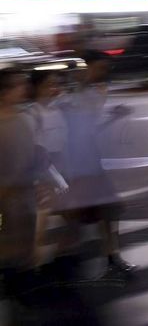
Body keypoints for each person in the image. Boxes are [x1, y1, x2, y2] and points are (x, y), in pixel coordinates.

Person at [55, 51, 136, 279]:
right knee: (76, 220)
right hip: (74, 168)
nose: (103, 73)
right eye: (100, 68)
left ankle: (111, 258)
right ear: (87, 67)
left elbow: (90, 130)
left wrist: (113, 116)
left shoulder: (96, 92)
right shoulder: (68, 93)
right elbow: (64, 124)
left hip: (91, 165)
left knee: (108, 212)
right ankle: (49, 267)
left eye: (105, 69)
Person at [26, 70, 70, 268]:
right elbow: (37, 151)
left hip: (59, 167)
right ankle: (33, 264)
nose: (55, 89)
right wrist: (56, 177)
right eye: (50, 85)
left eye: (57, 84)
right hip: (44, 171)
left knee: (69, 216)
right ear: (37, 88)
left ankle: (55, 260)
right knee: (42, 217)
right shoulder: (32, 113)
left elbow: (64, 142)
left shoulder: (58, 110)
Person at [0, 69, 38, 286]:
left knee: (23, 240)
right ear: (4, 92)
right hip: (5, 198)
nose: (24, 88)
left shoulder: (23, 119)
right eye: (18, 85)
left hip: (23, 195)